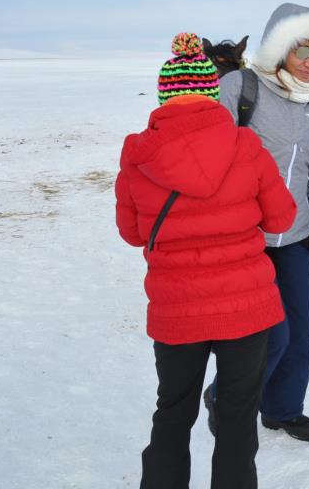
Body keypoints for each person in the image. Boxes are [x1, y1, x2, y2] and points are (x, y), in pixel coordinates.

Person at [115, 32, 297, 488]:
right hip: (245, 308)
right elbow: (282, 218)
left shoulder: (138, 156)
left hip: (177, 310)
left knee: (173, 412)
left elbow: (134, 233)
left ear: (163, 97)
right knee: (237, 419)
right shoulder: (245, 147)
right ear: (212, 92)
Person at [204, 2, 309, 443]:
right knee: (273, 335)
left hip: (294, 236)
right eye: (302, 51)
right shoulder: (240, 86)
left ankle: (282, 409)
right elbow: (211, 159)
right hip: (245, 236)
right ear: (279, 47)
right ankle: (224, 397)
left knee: (301, 331)